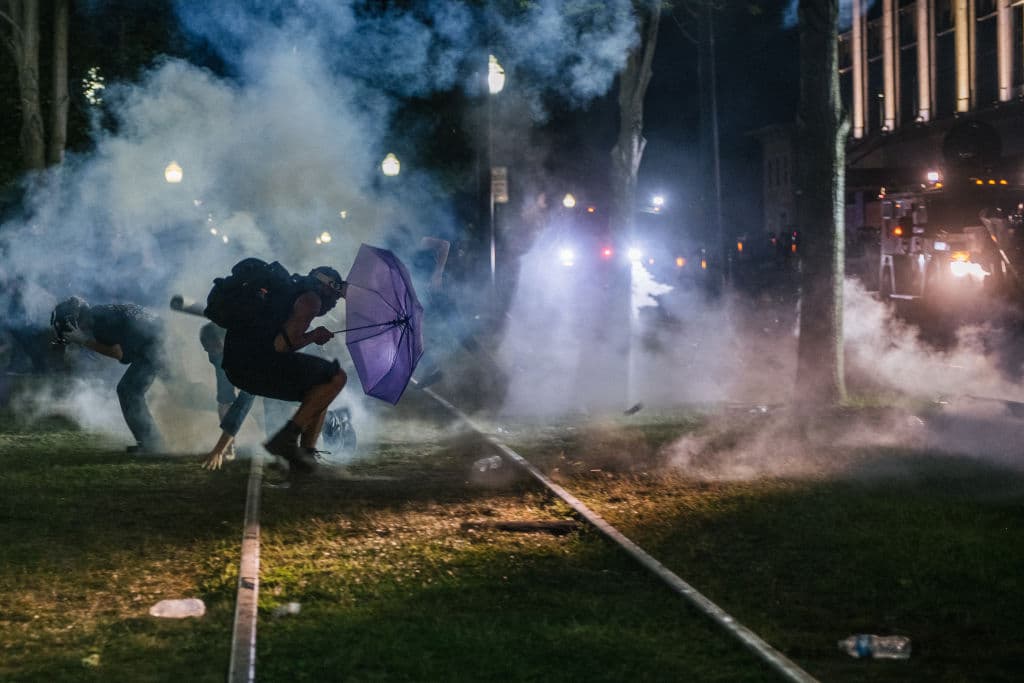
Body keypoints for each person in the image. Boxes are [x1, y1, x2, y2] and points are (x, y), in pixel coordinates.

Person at [220, 265, 348, 473]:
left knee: (321, 388)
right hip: (253, 364)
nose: (335, 301)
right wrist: (314, 336)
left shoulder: (292, 291)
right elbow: (281, 346)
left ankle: (306, 457)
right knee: (335, 378)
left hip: (238, 364)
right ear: (326, 286)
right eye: (335, 293)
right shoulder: (310, 300)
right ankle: (285, 441)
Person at [50, 296, 167, 453]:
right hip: (159, 340)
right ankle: (151, 442)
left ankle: (151, 444)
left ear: (73, 322)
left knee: (128, 390)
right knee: (179, 389)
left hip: (157, 346)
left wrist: (84, 341)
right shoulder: (99, 314)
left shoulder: (99, 324)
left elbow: (118, 353)